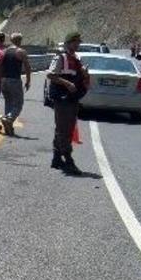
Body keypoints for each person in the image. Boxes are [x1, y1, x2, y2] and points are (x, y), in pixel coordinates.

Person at [47, 32, 90, 175]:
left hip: (72, 99)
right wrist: (67, 84)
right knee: (64, 130)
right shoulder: (61, 57)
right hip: (62, 98)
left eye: (79, 42)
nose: (78, 44)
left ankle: (57, 158)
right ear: (68, 42)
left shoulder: (76, 59)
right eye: (75, 41)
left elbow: (78, 77)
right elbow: (51, 75)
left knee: (64, 128)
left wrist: (84, 73)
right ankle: (68, 159)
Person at [0, 32, 31, 135]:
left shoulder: (3, 51)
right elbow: (27, 67)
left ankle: (9, 129)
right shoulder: (21, 52)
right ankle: (9, 118)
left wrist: (1, 78)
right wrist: (28, 81)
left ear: (11, 41)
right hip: (14, 80)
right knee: (18, 103)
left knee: (8, 102)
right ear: (19, 41)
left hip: (4, 80)